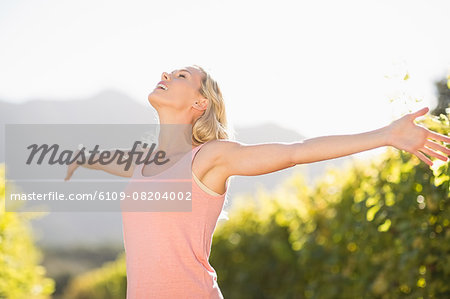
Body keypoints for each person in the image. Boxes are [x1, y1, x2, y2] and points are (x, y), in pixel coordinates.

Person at [65, 65, 450, 298]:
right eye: (168, 71)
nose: (165, 75)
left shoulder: (210, 157)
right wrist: (82, 157)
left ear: (200, 103)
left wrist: (384, 135)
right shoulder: (145, 163)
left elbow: (295, 150)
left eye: (181, 75)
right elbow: (111, 162)